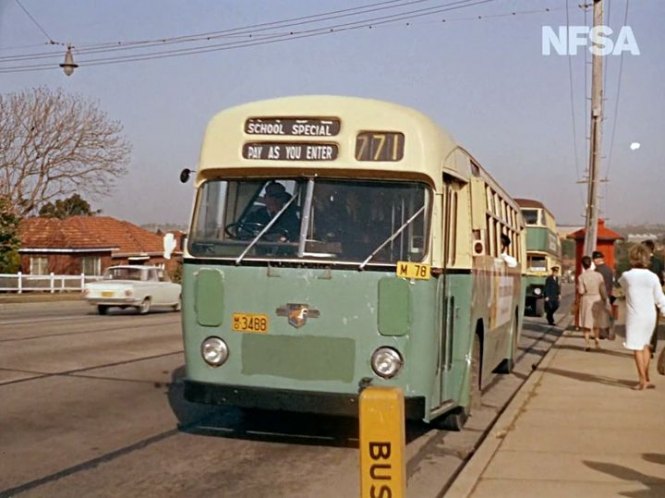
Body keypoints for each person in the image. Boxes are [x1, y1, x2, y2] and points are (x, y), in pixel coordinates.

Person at [618, 244, 665, 390]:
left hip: (635, 316)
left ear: (632, 258)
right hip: (650, 315)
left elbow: (624, 290)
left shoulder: (626, 276)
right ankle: (647, 377)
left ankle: (642, 380)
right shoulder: (652, 277)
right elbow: (660, 298)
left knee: (637, 348)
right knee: (645, 346)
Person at [577, 255, 608, 351]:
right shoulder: (598, 275)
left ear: (582, 265)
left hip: (587, 299)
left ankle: (587, 344)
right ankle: (597, 340)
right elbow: (603, 289)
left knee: (586, 323)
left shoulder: (581, 277)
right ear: (591, 264)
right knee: (596, 322)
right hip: (597, 298)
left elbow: (581, 291)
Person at [642, 240, 664, 356]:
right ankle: (651, 347)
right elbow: (662, 278)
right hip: (655, 296)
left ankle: (644, 346)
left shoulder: (640, 263)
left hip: (642, 297)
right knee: (653, 323)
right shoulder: (659, 262)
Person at [592, 250, 615, 340]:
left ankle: (601, 333)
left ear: (596, 259)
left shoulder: (597, 270)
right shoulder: (609, 269)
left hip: (599, 294)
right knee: (606, 313)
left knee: (599, 315)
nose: (593, 261)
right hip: (608, 293)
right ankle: (607, 332)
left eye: (594, 259)